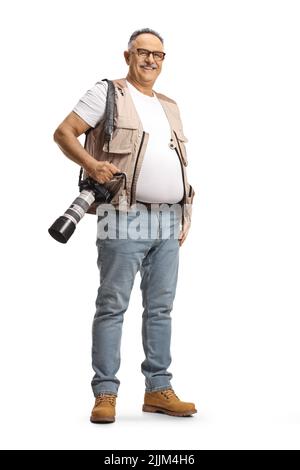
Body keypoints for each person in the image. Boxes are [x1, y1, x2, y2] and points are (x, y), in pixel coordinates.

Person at [53, 28, 196, 423]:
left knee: (161, 309)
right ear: (128, 55)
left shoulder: (169, 105)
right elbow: (63, 133)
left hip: (169, 217)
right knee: (113, 305)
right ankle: (105, 394)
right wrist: (92, 164)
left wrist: (185, 213)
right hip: (121, 214)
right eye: (143, 52)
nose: (151, 60)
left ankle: (158, 390)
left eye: (158, 55)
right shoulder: (108, 93)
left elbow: (179, 163)